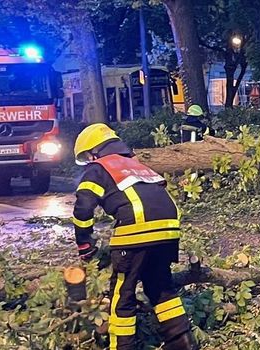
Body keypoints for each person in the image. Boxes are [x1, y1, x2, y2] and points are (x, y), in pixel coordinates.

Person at [72, 123, 199, 350]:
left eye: (88, 157)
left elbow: (83, 208)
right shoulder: (135, 165)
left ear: (93, 152)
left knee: (123, 295)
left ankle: (122, 346)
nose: (89, 161)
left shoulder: (98, 168)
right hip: (169, 229)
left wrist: (85, 244)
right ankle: (183, 343)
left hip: (137, 230)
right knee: (160, 286)